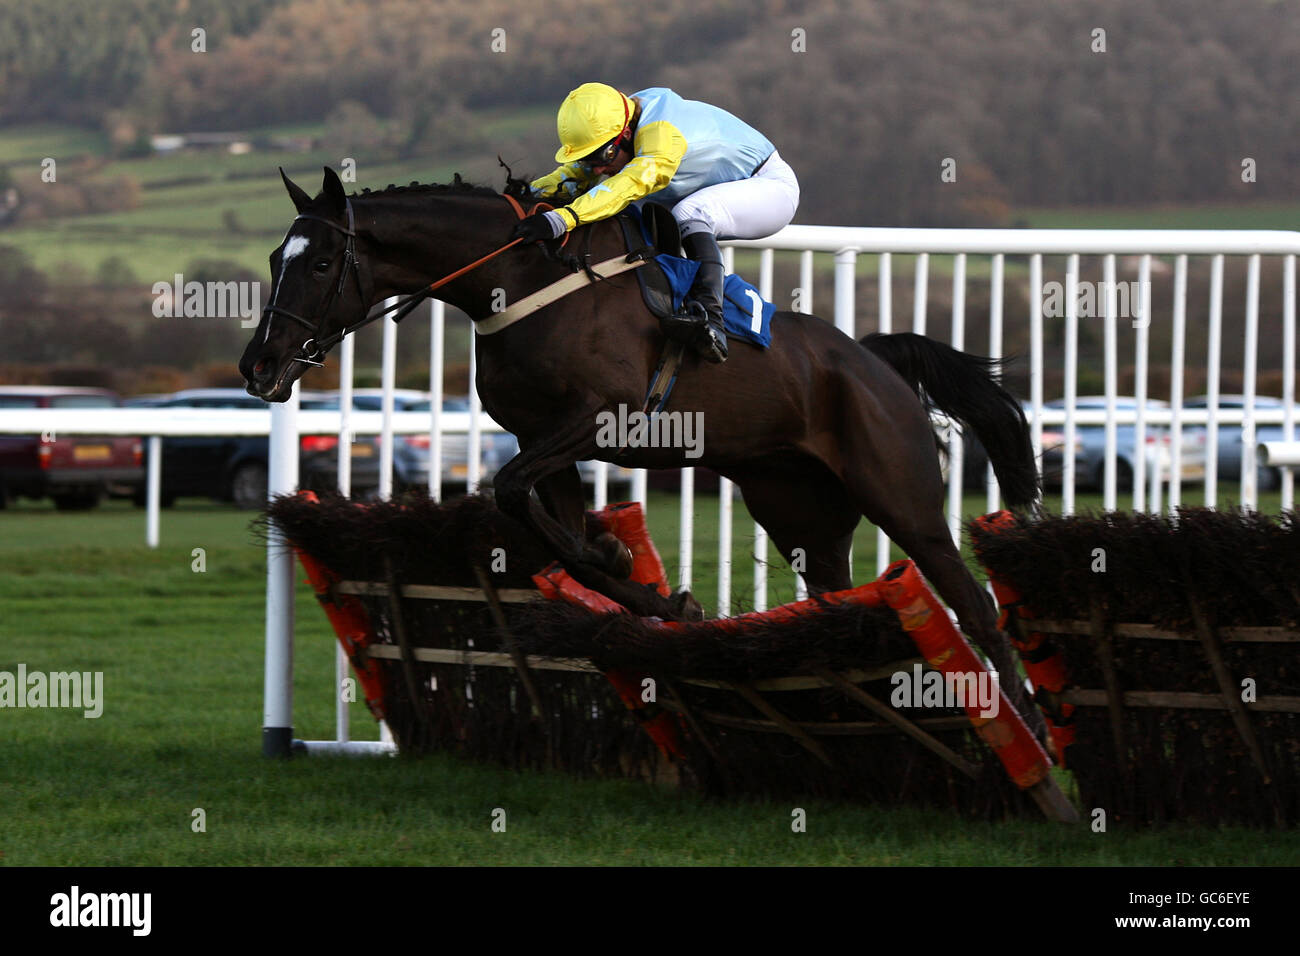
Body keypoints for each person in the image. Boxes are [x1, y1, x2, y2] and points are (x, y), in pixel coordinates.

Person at [512, 83, 799, 363]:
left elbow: (629, 185)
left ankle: (711, 321)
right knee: (638, 216)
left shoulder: (662, 134)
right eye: (589, 159)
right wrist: (521, 196)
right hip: (714, 190)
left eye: (603, 157)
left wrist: (563, 219)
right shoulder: (620, 125)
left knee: (689, 212)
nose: (598, 168)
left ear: (625, 133)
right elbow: (572, 178)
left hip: (770, 187)